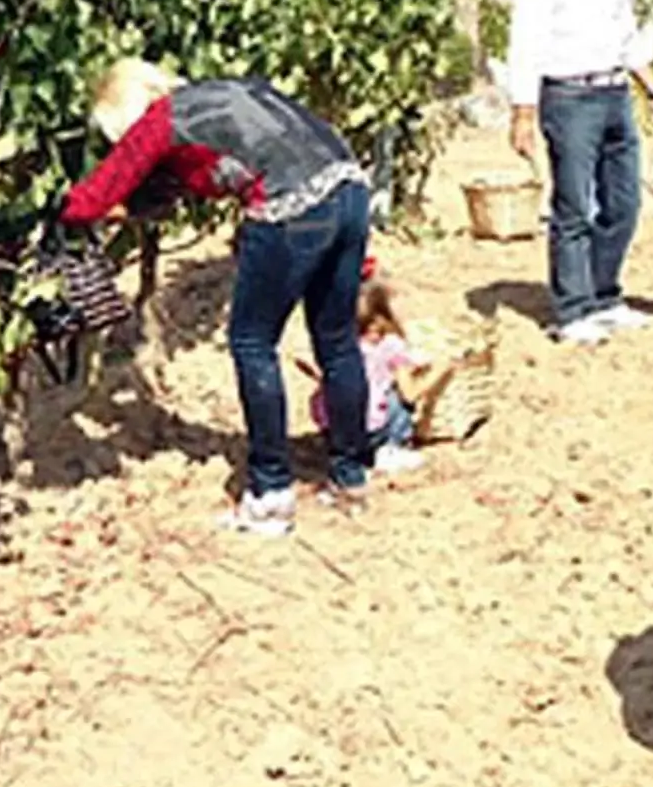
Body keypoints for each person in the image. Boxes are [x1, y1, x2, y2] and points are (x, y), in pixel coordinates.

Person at [63, 60, 372, 535]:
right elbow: (206, 174)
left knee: (252, 342)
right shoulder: (223, 94)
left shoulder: (160, 122)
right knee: (335, 338)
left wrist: (46, 219)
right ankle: (351, 475)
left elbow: (95, 196)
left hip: (294, 206)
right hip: (349, 190)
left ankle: (270, 495)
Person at [504, 0, 653, 345]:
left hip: (614, 93)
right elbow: (526, 42)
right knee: (573, 206)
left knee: (624, 202)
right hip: (568, 97)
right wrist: (522, 111)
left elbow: (626, 38)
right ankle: (572, 308)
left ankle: (604, 294)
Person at [307, 274, 436, 477]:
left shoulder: (338, 346)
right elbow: (409, 393)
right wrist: (441, 370)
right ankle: (391, 447)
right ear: (379, 319)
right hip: (371, 429)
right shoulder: (389, 346)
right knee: (396, 398)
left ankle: (339, 450)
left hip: (334, 428)